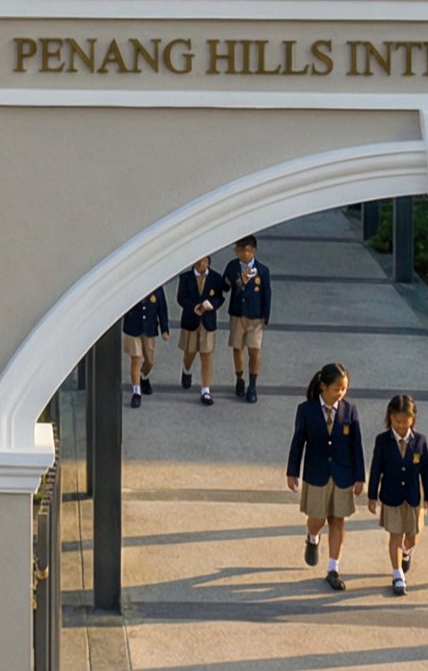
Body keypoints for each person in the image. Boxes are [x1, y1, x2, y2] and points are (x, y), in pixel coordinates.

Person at [284, 361, 366, 589]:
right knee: (317, 519)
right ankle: (312, 537)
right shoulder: (307, 410)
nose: (342, 393)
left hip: (342, 474)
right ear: (323, 387)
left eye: (344, 388)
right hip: (317, 473)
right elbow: (298, 441)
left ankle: (333, 568)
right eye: (337, 388)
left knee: (337, 520)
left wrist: (360, 476)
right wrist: (293, 471)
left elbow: (356, 445)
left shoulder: (349, 411)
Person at [368, 394, 428, 596]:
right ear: (390, 418)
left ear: (412, 419)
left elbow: (427, 471)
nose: (401, 426)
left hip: (413, 497)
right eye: (397, 421)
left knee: (412, 537)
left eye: (405, 422)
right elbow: (376, 468)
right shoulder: (382, 441)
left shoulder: (420, 441)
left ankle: (406, 552)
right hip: (391, 495)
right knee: (395, 535)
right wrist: (372, 496)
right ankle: (397, 575)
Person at [223, 234, 272, 402]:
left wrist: (265, 315)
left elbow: (267, 294)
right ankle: (240, 378)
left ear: (254, 251)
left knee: (254, 350)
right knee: (237, 347)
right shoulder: (232, 266)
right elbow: (224, 287)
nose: (243, 254)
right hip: (237, 313)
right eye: (239, 250)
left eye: (247, 250)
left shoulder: (263, 270)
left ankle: (252, 385)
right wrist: (234, 280)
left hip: (255, 316)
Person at [174, 256, 226, 405]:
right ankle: (187, 370)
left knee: (206, 354)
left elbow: (220, 297)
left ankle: (206, 389)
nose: (201, 265)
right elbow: (181, 298)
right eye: (198, 262)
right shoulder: (186, 278)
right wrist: (193, 307)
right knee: (190, 352)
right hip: (191, 319)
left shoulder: (215, 277)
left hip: (207, 321)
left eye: (204, 261)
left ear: (209, 261)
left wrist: (211, 304)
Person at [121, 284, 169, 409]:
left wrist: (165, 329)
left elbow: (162, 308)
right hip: (133, 327)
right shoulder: (131, 285)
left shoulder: (157, 288)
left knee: (149, 360)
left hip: (149, 328)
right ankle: (136, 392)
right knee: (136, 358)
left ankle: (144, 377)